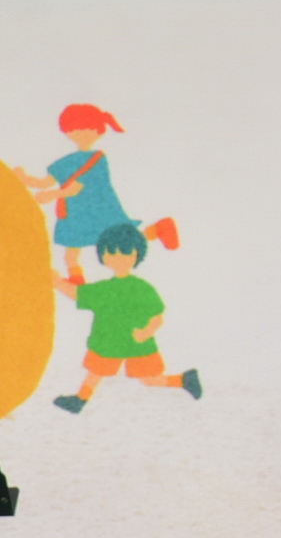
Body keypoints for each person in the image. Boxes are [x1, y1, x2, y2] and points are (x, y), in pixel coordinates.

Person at [14, 104, 176, 283]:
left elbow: (79, 187)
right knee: (72, 253)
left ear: (99, 131)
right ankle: (77, 280)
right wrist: (24, 178)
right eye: (76, 129)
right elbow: (44, 183)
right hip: (75, 214)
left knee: (119, 241)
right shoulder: (66, 162)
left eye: (88, 129)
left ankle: (158, 230)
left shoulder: (97, 159)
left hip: (96, 210)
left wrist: (54, 195)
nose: (82, 134)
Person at [50, 221, 200, 412]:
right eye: (112, 253)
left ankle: (184, 380)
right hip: (110, 342)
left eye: (125, 253)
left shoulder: (141, 288)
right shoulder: (105, 289)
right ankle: (79, 400)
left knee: (149, 379)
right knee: (96, 372)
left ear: (137, 254)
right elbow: (80, 294)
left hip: (135, 343)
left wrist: (146, 332)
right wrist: (59, 283)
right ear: (103, 256)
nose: (118, 258)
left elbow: (157, 316)